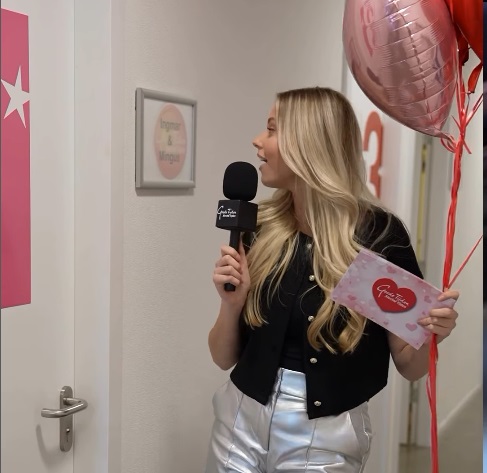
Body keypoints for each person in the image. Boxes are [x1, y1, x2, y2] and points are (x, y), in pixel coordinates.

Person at [206, 87, 459, 473]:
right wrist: (231, 305)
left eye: (272, 130)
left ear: (308, 143)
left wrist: (430, 332)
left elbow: (411, 367)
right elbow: (223, 357)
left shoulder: (377, 237)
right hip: (240, 418)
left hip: (325, 435)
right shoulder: (260, 229)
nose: (258, 141)